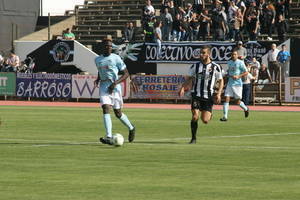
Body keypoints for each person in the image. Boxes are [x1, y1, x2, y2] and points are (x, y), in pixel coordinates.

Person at [179, 46, 224, 144]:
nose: (201, 55)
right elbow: (189, 78)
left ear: (208, 54)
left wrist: (219, 94)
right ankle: (193, 138)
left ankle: (209, 114)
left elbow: (221, 81)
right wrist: (182, 87)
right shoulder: (195, 66)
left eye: (203, 53)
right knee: (195, 117)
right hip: (196, 95)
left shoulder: (215, 67)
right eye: (200, 53)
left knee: (205, 120)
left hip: (208, 97)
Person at [94, 38, 135, 145]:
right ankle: (108, 136)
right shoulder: (97, 59)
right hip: (104, 86)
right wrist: (98, 79)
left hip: (115, 87)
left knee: (118, 113)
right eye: (107, 46)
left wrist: (115, 83)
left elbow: (126, 74)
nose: (109, 47)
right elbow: (100, 70)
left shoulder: (116, 58)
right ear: (103, 47)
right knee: (105, 108)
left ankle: (131, 127)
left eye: (111, 46)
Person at [220, 50, 249, 121]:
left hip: (237, 84)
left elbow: (246, 72)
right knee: (226, 98)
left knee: (237, 101)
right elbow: (229, 71)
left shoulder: (240, 62)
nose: (233, 55)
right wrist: (227, 74)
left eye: (235, 54)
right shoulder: (229, 62)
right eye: (232, 54)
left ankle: (246, 108)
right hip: (230, 83)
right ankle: (225, 116)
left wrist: (239, 76)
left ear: (237, 55)